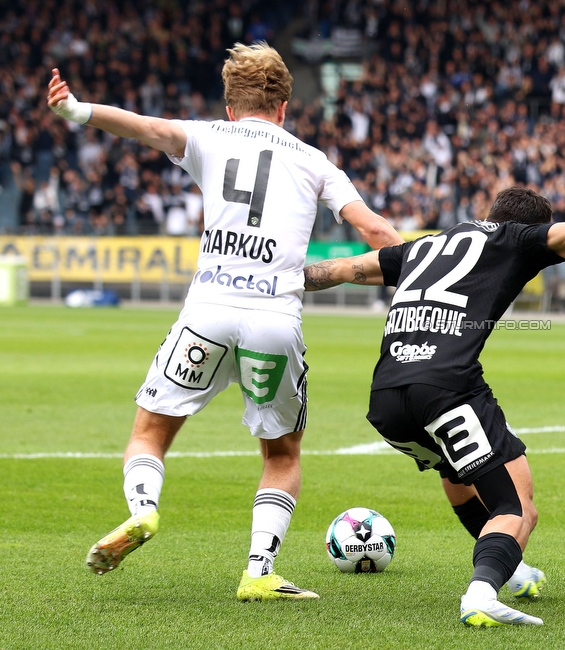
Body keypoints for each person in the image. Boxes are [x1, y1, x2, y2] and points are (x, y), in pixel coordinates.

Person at [47, 43, 402, 601]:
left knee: (149, 432)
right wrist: (428, 277)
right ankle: (259, 571)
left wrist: (76, 110)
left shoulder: (209, 136)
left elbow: (142, 128)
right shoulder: (314, 161)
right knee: (281, 454)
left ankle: (143, 511)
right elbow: (378, 234)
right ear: (284, 107)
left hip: (206, 315)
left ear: (231, 107)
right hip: (274, 320)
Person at [303, 186, 565, 627]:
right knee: (517, 507)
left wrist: (273, 282)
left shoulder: (426, 245)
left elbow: (340, 268)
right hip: (447, 388)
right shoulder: (515, 239)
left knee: (455, 469)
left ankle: (513, 569)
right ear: (535, 227)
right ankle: (481, 593)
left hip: (386, 400)